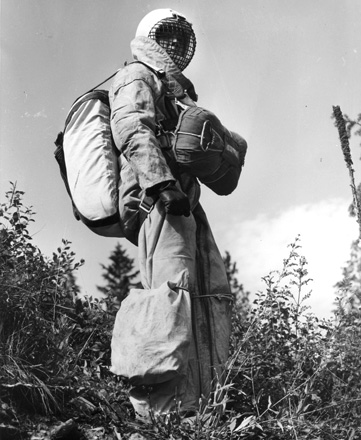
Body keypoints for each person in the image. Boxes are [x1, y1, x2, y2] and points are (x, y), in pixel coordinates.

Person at [109, 8, 235, 421]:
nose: (175, 45)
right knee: (170, 296)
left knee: (209, 294)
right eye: (168, 36)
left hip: (184, 201)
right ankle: (163, 417)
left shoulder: (175, 88)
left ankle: (206, 409)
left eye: (181, 38)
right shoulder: (136, 76)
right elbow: (130, 125)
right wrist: (161, 184)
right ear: (149, 36)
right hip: (158, 198)